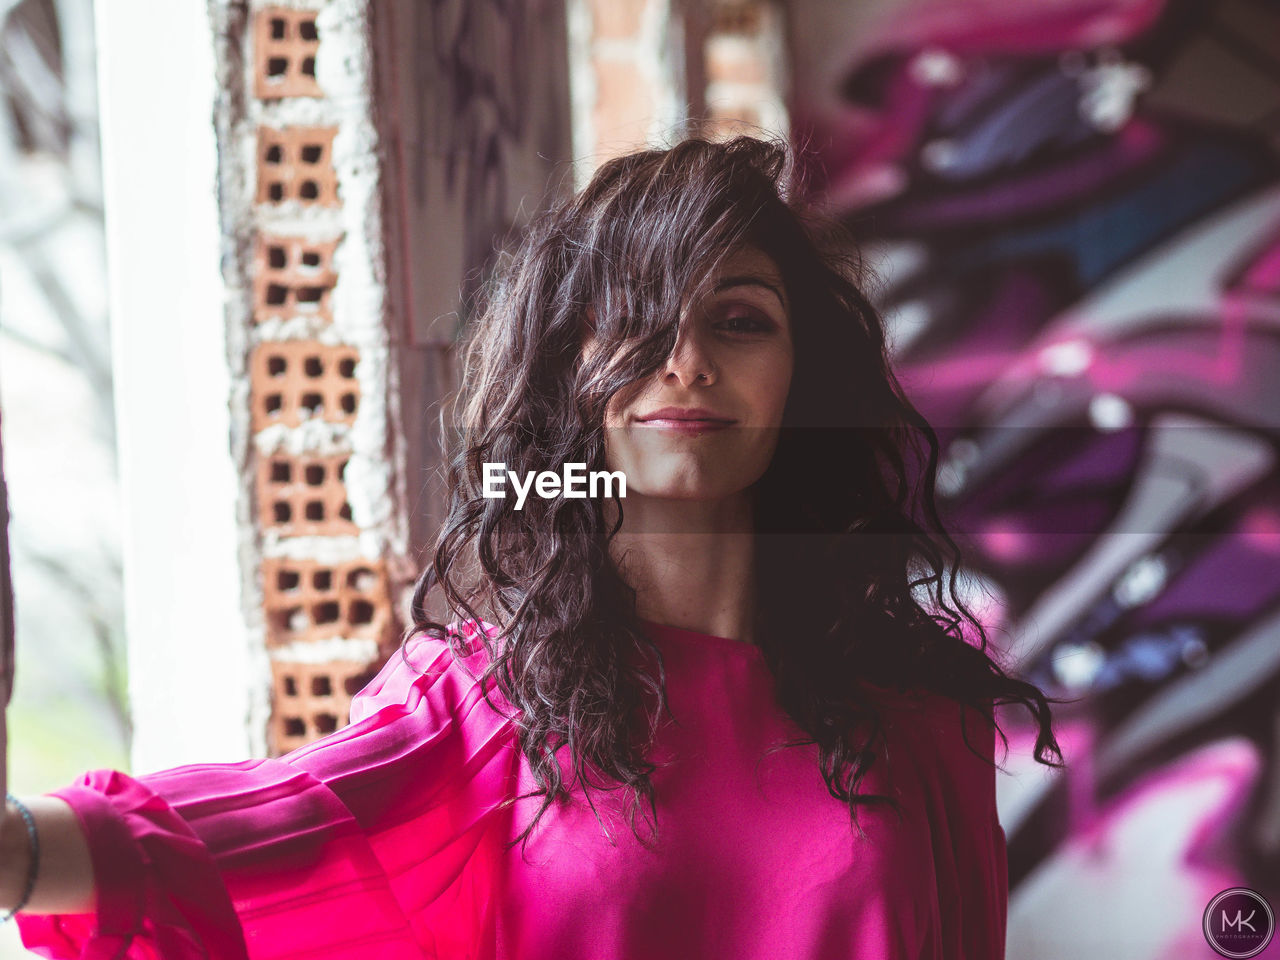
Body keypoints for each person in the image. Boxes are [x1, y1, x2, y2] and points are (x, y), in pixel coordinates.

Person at [0, 135, 1062, 959]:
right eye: (632, 321)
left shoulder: (922, 712)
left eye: (738, 321)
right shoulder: (485, 698)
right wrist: (22, 848)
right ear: (570, 375)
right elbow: (269, 829)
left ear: (802, 377)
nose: (683, 363)